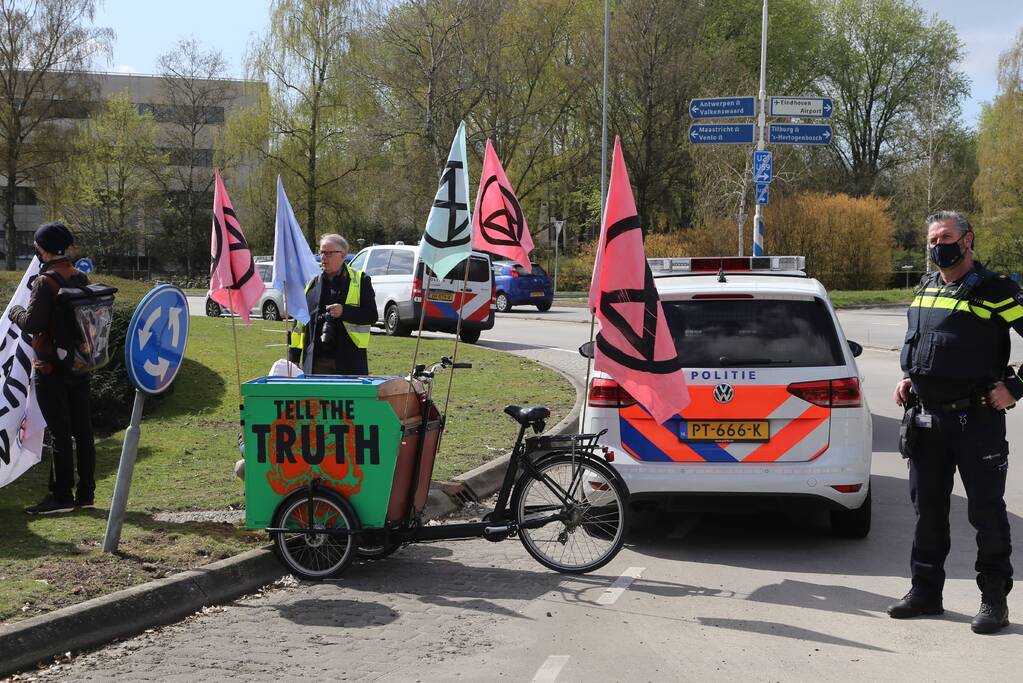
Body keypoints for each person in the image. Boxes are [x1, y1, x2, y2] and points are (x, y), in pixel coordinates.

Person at [889, 210, 1023, 634]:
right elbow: (930, 346)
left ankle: (994, 599)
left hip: (976, 420)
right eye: (931, 239)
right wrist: (911, 377)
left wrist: (1016, 388)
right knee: (927, 511)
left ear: (967, 240)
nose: (936, 245)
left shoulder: (996, 290)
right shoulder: (926, 288)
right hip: (926, 420)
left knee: (985, 512)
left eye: (944, 237)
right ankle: (926, 592)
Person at [7, 222, 97, 515]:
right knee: (82, 431)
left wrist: (15, 311)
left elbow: (33, 323)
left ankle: (61, 496)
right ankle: (86, 493)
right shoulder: (79, 276)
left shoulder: (45, 282)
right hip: (79, 366)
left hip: (49, 368)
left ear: (42, 248)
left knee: (60, 432)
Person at [288, 234, 377, 375]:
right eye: (322, 252)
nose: (323, 257)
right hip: (316, 361)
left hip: (349, 361)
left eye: (328, 253)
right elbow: (298, 324)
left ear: (342, 255)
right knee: (315, 398)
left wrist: (344, 312)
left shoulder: (361, 281)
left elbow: (372, 315)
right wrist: (293, 357)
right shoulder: (311, 284)